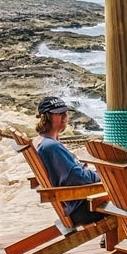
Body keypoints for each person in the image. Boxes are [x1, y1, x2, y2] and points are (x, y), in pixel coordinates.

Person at [31, 96, 105, 227]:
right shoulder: (51, 147)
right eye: (59, 114)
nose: (65, 116)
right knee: (126, 199)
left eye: (65, 113)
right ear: (45, 117)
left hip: (72, 203)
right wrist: (102, 176)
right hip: (80, 207)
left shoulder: (43, 141)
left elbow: (71, 172)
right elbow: (78, 178)